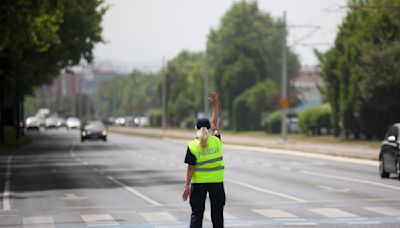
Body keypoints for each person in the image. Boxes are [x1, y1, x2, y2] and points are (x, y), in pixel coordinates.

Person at [182, 91, 225, 228]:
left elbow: (190, 168)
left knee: (197, 214)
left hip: (199, 185)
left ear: (196, 129)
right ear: (210, 128)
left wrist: (187, 186)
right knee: (217, 216)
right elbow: (215, 122)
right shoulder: (216, 140)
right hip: (217, 183)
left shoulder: (193, 145)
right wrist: (215, 105)